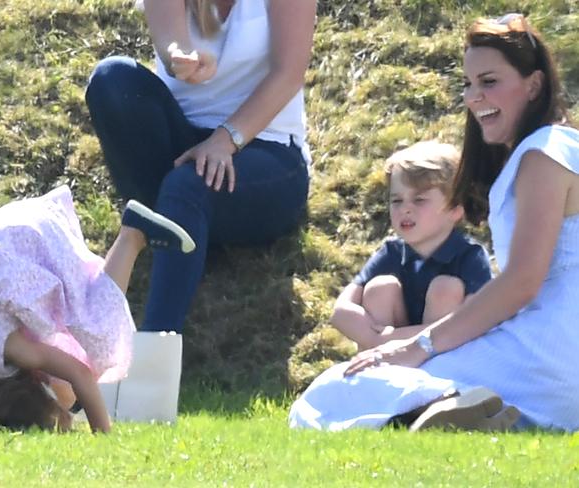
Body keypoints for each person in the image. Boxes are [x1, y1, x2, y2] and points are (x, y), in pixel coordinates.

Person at [290, 13, 579, 432]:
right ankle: (462, 414)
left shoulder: (544, 153)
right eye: (468, 84)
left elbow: (521, 282)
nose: (474, 96)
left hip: (551, 352)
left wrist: (419, 345)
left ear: (533, 84)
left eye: (489, 81)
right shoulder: (558, 148)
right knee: (353, 382)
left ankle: (455, 406)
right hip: (555, 354)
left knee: (330, 391)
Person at [84, 0, 317, 419]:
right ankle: (81, 358)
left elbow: (288, 73)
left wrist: (225, 140)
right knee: (112, 78)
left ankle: (146, 376)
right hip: (182, 148)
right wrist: (181, 61)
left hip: (268, 154)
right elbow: (171, 42)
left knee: (189, 183)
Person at [0, 185, 195, 431]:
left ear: (32, 386)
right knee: (73, 330)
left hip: (21, 244)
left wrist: (103, 433)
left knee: (96, 335)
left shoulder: (14, 352)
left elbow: (79, 374)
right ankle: (132, 235)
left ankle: (133, 235)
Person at [331, 141, 492, 351]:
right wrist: (374, 340)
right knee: (380, 287)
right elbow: (341, 312)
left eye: (419, 200)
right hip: (385, 356)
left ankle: (432, 376)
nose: (405, 209)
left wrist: (391, 339)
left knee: (446, 287)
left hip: (446, 360)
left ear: (455, 209)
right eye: (396, 201)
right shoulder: (392, 252)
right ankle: (374, 376)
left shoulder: (470, 257)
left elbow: (475, 323)